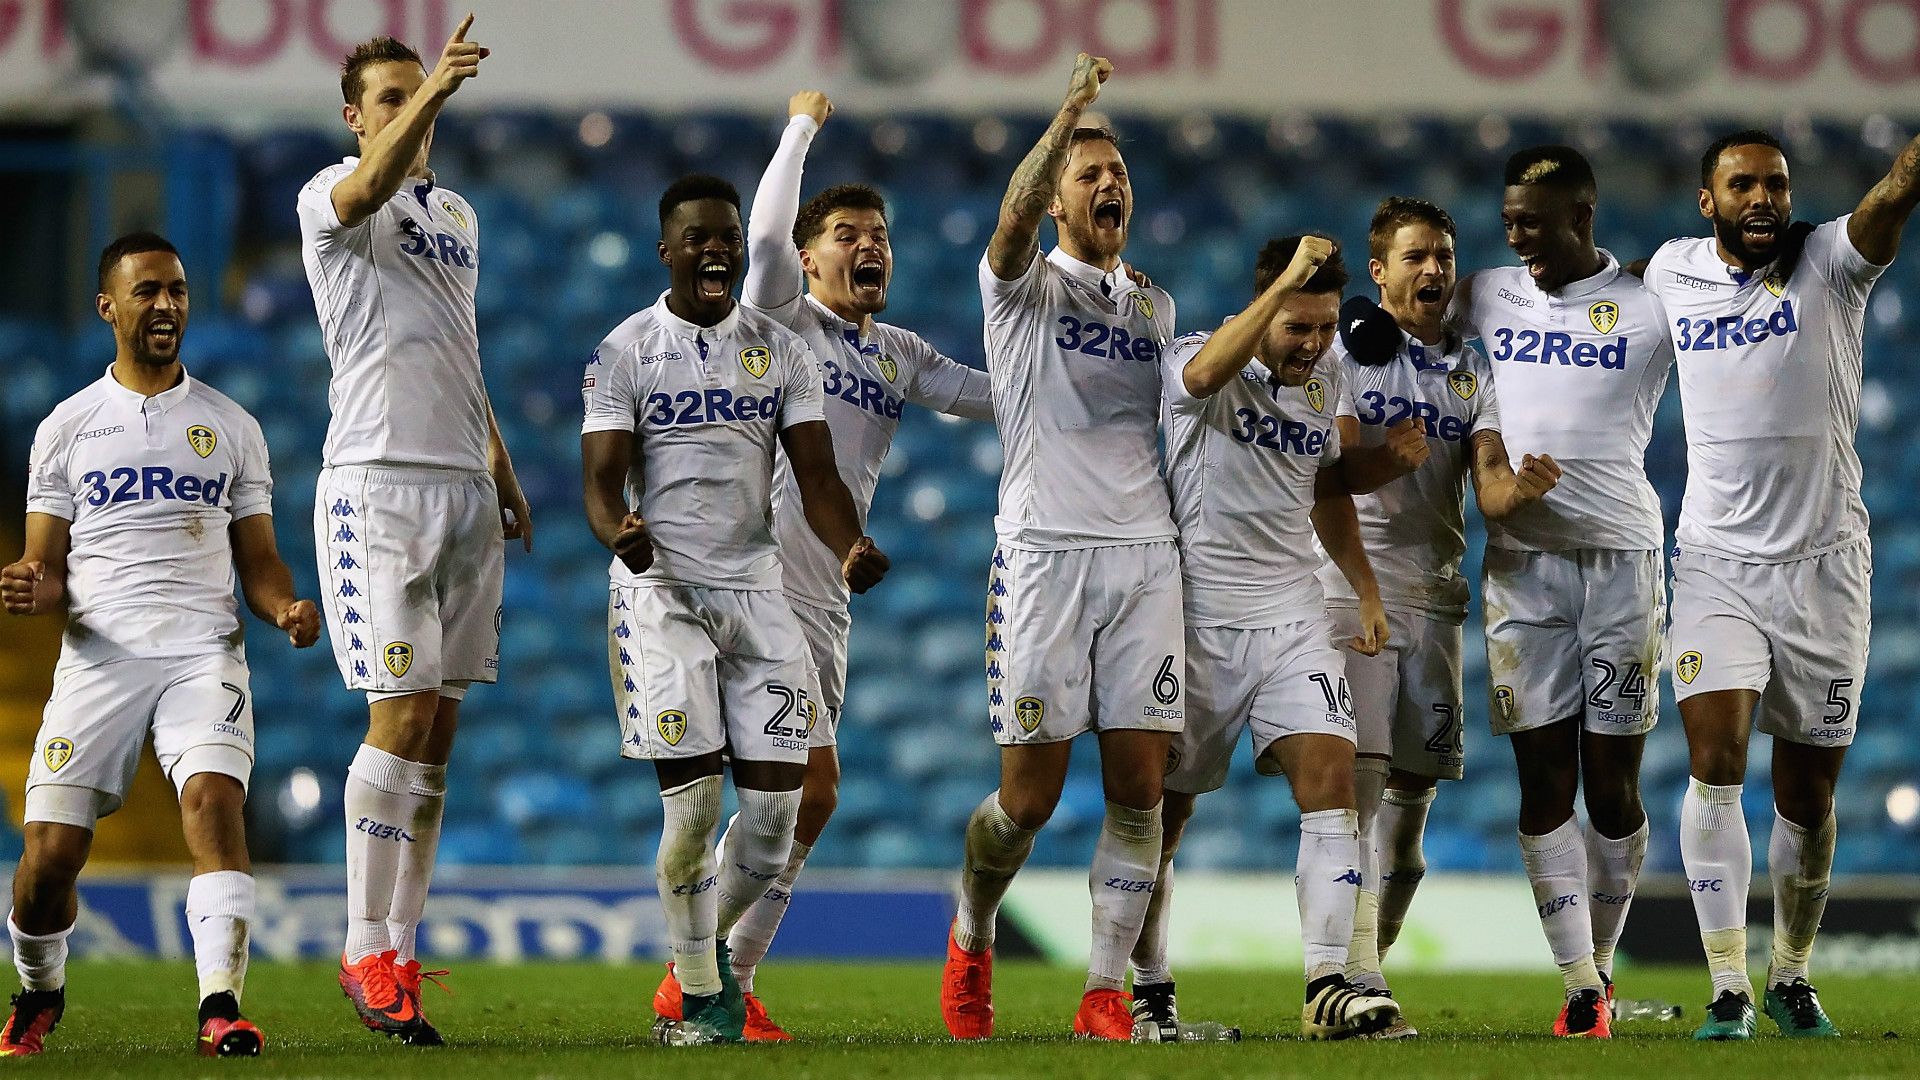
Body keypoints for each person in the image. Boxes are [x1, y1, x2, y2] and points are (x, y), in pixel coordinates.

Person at [647, 91, 994, 1042]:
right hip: (747, 581)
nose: (869, 245)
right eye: (847, 232)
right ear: (809, 257)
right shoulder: (778, 318)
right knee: (794, 788)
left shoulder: (896, 354)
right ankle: (703, 973)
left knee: (807, 795)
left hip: (824, 594)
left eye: (879, 233)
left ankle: (715, 977)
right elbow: (761, 233)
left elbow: (996, 395)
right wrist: (800, 126)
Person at [581, 175, 889, 1046]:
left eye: (726, 237)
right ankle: (698, 993)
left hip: (759, 597)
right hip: (663, 596)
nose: (715, 248)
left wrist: (848, 545)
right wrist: (620, 533)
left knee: (774, 817)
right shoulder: (626, 351)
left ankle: (702, 957)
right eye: (697, 238)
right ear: (667, 251)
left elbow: (819, 478)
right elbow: (602, 484)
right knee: (692, 811)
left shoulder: (781, 351)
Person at [0, 234, 320, 1058]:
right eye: (147, 292)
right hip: (99, 657)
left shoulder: (231, 426)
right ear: (108, 307)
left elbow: (259, 559)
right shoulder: (67, 428)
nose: (167, 306)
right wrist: (36, 584)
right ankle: (39, 989)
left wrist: (283, 605)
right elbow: (47, 560)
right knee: (48, 864)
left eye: (176, 290)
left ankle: (221, 1006)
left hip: (200, 652)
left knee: (215, 803)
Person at [1641, 127, 1916, 1040]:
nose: (1763, 199)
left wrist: (1911, 168)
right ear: (1706, 200)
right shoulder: (1669, 273)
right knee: (1714, 764)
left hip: (1829, 567)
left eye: (1776, 185)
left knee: (1808, 797)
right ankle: (1728, 987)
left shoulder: (1831, 263)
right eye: (1742, 185)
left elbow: (1890, 200)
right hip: (1716, 562)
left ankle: (1792, 973)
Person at [941, 53, 1185, 1043]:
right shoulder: (1021, 288)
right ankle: (973, 928)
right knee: (1026, 802)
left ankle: (1101, 991)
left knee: (1142, 789)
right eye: (1088, 176)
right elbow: (1005, 219)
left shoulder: (1154, 309)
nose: (1109, 184)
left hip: (1144, 560)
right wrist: (1070, 111)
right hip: (1043, 557)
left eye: (1117, 173)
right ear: (1053, 202)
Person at [296, 19, 532, 1045]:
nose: (409, 109)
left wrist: (500, 460)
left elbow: (454, 341)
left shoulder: (458, 216)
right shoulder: (331, 197)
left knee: (437, 733)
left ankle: (397, 947)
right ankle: (359, 946)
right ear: (356, 118)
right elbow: (364, 188)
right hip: (377, 485)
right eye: (387, 99)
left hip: (461, 489)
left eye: (415, 95)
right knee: (395, 717)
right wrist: (433, 89)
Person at [1134, 233, 1400, 1040]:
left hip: (1291, 618)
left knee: (1331, 776)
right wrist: (1283, 283)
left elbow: (1321, 489)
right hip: (1196, 626)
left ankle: (1327, 982)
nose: (1316, 346)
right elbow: (1205, 374)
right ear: (1266, 308)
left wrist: (1362, 584)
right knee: (1163, 821)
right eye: (1299, 328)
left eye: (1325, 329)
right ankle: (1149, 985)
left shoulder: (1326, 382)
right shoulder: (1200, 361)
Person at [1453, 145, 1673, 1038]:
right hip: (1523, 571)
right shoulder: (1491, 291)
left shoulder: (1656, 306)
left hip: (1622, 562)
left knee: (1613, 787)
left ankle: (1605, 964)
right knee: (1543, 783)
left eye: (1534, 225)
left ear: (1581, 218)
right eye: (1509, 224)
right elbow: (1405, 306)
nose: (1518, 240)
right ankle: (1582, 987)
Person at [1328, 197, 1561, 1038]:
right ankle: (1353, 978)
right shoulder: (1347, 356)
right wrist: (1380, 459)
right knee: (1354, 797)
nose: (1434, 270)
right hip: (1358, 593)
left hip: (1437, 596)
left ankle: (1369, 969)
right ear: (1380, 269)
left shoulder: (1474, 368)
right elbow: (1335, 472)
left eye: (1444, 256)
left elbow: (1489, 484)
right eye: (1416, 256)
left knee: (1410, 830)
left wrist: (1517, 489)